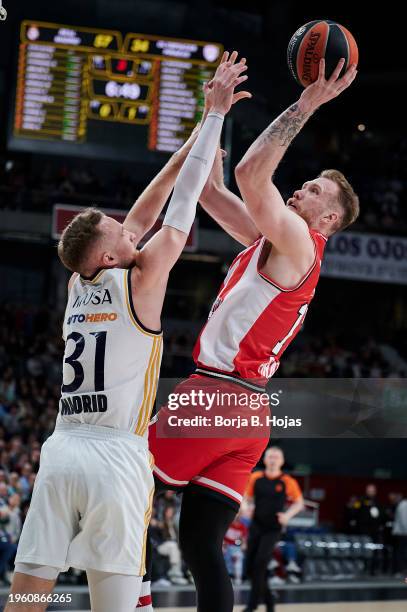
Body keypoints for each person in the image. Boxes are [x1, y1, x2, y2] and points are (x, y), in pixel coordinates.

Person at [5, 55, 247, 612]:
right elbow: (180, 207)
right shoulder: (144, 277)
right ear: (111, 252)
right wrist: (212, 119)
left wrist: (192, 145)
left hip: (62, 447)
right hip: (116, 455)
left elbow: (145, 207)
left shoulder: (80, 280)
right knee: (112, 605)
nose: (126, 222)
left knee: (28, 594)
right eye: (117, 227)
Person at [138, 56, 359, 612]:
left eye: (310, 190)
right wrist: (213, 121)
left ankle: (131, 601)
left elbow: (250, 175)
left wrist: (306, 104)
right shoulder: (272, 242)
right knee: (199, 546)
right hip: (248, 415)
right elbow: (215, 192)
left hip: (218, 395)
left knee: (121, 477)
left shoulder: (301, 244)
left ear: (327, 220)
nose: (299, 191)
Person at [243, 447, 303, 612]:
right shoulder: (256, 477)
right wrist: (247, 507)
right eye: (270, 456)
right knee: (250, 567)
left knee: (260, 562)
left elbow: (299, 503)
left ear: (282, 461)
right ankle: (269, 602)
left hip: (273, 529)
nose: (273, 459)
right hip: (255, 526)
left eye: (276, 457)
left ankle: (251, 605)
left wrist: (287, 516)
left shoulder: (287, 481)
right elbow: (245, 498)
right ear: (265, 459)